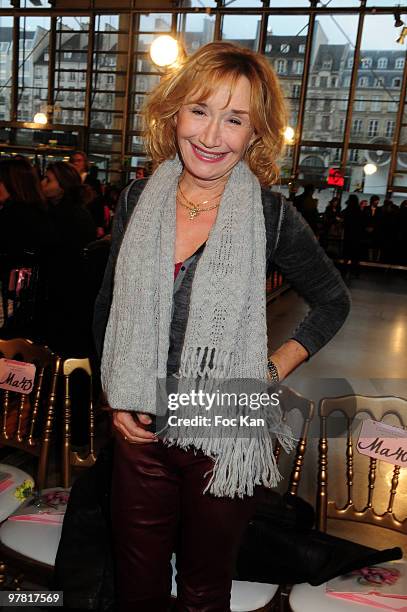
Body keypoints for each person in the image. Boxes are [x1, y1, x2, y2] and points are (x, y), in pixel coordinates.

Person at [93, 42, 350, 611]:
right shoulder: (140, 197)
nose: (212, 135)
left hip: (229, 409)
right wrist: (116, 395)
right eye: (200, 111)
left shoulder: (270, 214)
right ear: (173, 113)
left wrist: (268, 369)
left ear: (255, 134)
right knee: (138, 590)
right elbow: (110, 303)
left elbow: (333, 301)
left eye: (234, 119)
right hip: (141, 416)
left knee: (205, 593)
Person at [41, 161, 97, 355]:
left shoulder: (71, 214)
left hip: (67, 295)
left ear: (62, 185)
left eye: (48, 179)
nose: (42, 183)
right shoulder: (57, 210)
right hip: (64, 293)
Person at [0, 158, 56, 335]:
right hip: (28, 302)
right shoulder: (41, 211)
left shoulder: (13, 214)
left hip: (10, 299)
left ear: (11, 183)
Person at [342, 194, 364, 276]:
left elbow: (345, 222)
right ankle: (355, 271)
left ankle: (344, 269)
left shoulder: (348, 210)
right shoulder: (358, 210)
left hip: (348, 234)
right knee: (355, 254)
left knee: (347, 253)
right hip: (356, 235)